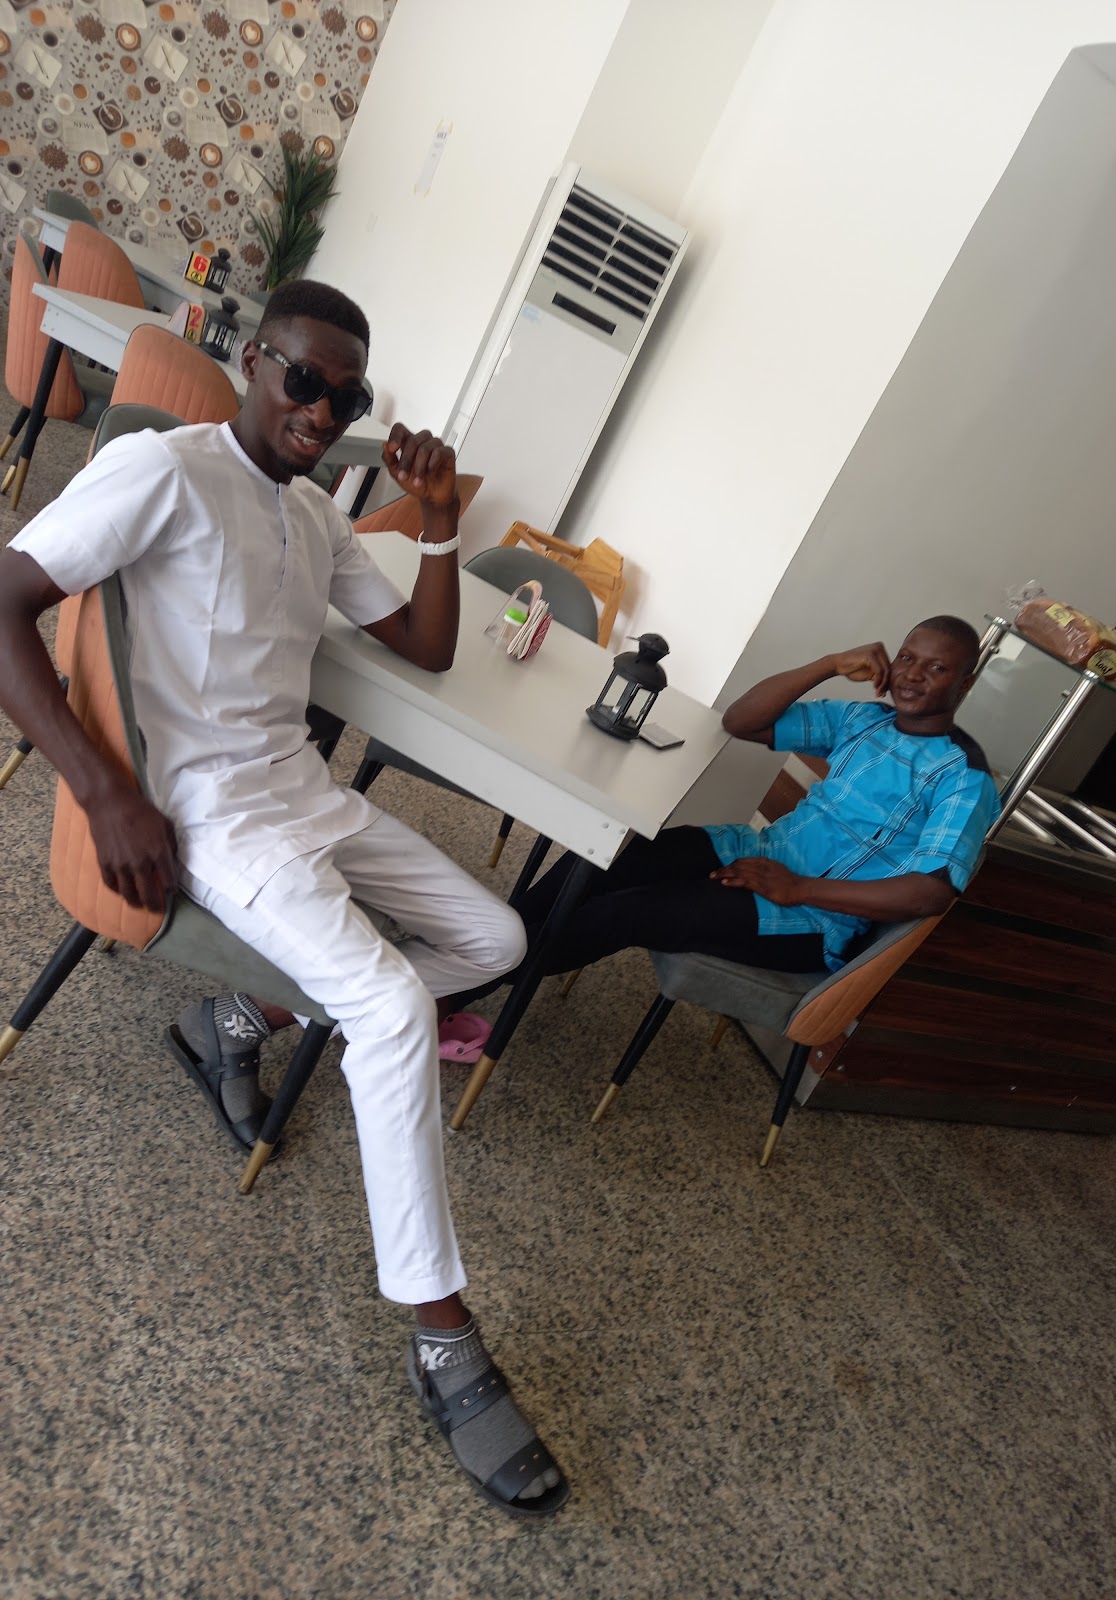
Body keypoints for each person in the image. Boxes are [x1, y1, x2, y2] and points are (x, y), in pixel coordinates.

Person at [0, 280, 568, 1517]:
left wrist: (437, 520)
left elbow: (426, 645)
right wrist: (103, 789)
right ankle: (441, 1336)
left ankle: (244, 1019)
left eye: (345, 398)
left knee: (496, 933)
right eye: (303, 379)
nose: (320, 409)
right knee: (392, 1006)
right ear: (256, 359)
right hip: (213, 814)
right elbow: (5, 599)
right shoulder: (166, 468)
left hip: (305, 796)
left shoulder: (314, 515)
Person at [513, 618, 1000, 976]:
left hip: (814, 918)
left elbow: (929, 893)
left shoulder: (964, 776)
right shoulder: (864, 720)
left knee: (631, 911)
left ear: (965, 683)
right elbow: (741, 721)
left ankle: (478, 974)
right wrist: (828, 665)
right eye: (907, 658)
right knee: (614, 855)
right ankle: (496, 937)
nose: (912, 675)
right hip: (757, 853)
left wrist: (800, 888)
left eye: (936, 667)